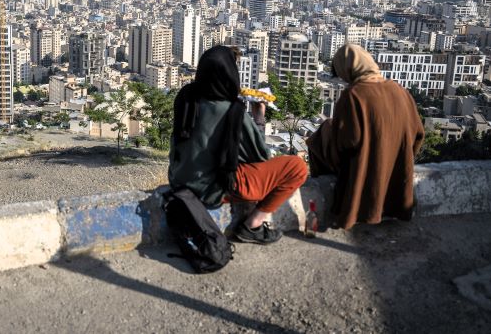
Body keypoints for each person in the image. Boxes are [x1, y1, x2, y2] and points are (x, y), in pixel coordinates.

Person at [169, 46, 308, 244]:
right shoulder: (232, 111)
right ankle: (253, 225)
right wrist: (259, 118)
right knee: (297, 167)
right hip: (212, 190)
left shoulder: (186, 98)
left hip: (178, 179)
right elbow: (261, 156)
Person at [307, 43, 424, 229]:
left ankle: (332, 188)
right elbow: (418, 134)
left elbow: (347, 142)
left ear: (348, 69)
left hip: (364, 169)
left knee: (319, 136)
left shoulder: (354, 95)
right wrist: (402, 159)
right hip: (397, 171)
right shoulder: (400, 91)